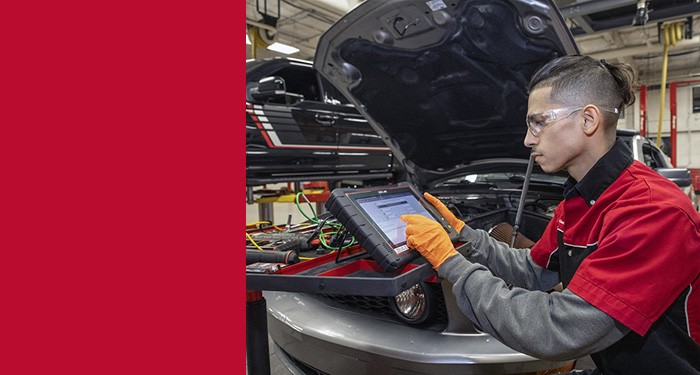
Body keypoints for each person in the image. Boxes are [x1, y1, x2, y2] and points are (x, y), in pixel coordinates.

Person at [400, 55, 700, 374]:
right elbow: (532, 270)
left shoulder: (652, 211)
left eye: (539, 122)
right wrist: (463, 235)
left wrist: (453, 265)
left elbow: (558, 328)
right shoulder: (579, 200)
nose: (528, 139)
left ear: (588, 120)